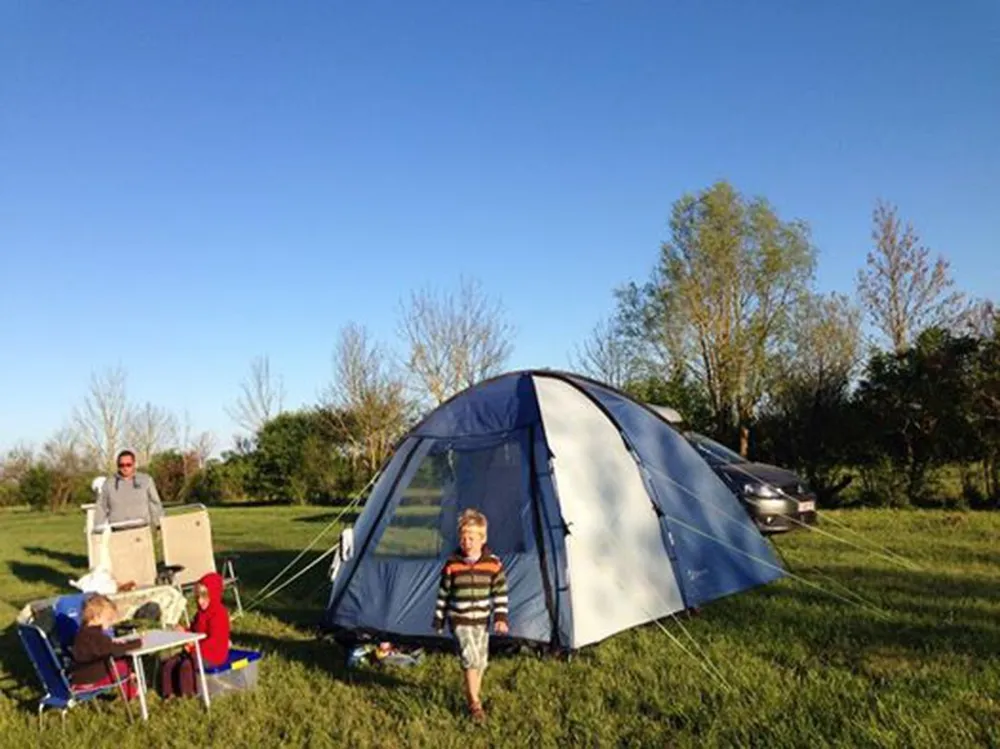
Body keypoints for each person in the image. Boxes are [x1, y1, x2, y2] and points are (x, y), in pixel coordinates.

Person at [432, 509, 509, 723]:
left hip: (482, 620)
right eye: (463, 538)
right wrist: (439, 618)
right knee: (470, 658)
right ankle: (474, 703)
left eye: (471, 538)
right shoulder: (453, 564)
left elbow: (500, 592)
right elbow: (443, 594)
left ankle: (474, 693)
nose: (466, 542)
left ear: (483, 539)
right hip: (460, 619)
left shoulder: (492, 564)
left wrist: (500, 617)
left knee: (481, 661)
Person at [160, 572, 230, 698]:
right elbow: (194, 631)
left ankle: (188, 694)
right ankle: (169, 694)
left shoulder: (219, 613)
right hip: (196, 649)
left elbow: (214, 641)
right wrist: (184, 631)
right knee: (169, 663)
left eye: (204, 597)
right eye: (197, 597)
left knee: (186, 666)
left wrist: (193, 647)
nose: (200, 601)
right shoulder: (200, 614)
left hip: (213, 654)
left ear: (213, 595)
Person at [70, 594, 140, 700]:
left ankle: (131, 684)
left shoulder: (82, 633)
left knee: (119, 663)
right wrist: (135, 643)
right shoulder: (95, 636)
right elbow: (114, 650)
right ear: (97, 617)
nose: (110, 623)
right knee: (124, 665)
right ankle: (131, 694)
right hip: (91, 680)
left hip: (79, 677)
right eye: (109, 619)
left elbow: (104, 648)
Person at [93, 448, 164, 530]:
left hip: (143, 529)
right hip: (118, 531)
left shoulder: (146, 480)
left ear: (134, 464)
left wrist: (158, 524)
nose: (125, 468)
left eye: (128, 464)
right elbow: (101, 507)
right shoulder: (108, 484)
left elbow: (155, 504)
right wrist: (98, 528)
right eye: (121, 465)